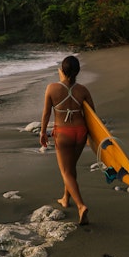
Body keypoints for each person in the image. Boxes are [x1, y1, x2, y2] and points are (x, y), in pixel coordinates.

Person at [40, 55, 94, 225]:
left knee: (65, 172)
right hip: (81, 132)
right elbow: (92, 116)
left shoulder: (52, 88)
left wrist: (42, 132)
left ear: (62, 70)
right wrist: (92, 138)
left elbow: (46, 113)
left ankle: (80, 206)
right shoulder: (83, 90)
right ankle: (65, 199)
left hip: (63, 133)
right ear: (78, 71)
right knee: (70, 168)